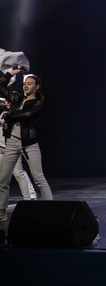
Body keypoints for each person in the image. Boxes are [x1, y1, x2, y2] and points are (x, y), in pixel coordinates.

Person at [0, 69, 53, 223]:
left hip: (29, 144)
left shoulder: (38, 103)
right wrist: (16, 71)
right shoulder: (17, 99)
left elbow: (28, 114)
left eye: (30, 84)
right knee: (3, 179)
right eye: (25, 83)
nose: (26, 86)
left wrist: (9, 116)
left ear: (37, 86)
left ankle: (53, 209)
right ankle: (2, 212)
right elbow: (1, 85)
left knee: (38, 178)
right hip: (12, 142)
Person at [0, 96, 38, 201]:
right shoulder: (3, 113)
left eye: (9, 101)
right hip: (1, 147)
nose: (7, 103)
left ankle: (29, 196)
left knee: (18, 173)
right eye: (6, 101)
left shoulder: (16, 115)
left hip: (11, 148)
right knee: (3, 176)